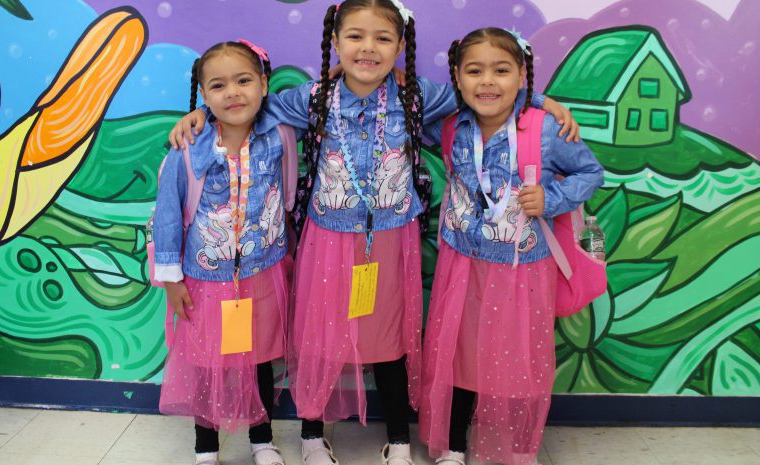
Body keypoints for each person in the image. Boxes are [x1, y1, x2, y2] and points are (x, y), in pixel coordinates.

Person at [166, 3, 578, 465]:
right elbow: (249, 108)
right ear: (337, 43)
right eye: (356, 37)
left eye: (383, 38)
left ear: (400, 47)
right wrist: (201, 113)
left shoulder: (417, 96)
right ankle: (311, 435)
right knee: (319, 338)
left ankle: (399, 439)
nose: (368, 48)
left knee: (392, 339)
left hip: (391, 238)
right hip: (327, 239)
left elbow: (478, 93)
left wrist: (538, 101)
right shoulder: (313, 98)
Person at [417, 27, 604, 465]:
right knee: (459, 355)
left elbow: (590, 173)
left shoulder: (545, 129)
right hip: (461, 263)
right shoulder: (448, 125)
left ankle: (516, 448)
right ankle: (454, 447)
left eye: (501, 71)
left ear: (522, 76)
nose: (487, 82)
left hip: (522, 271)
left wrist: (552, 199)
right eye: (474, 71)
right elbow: (404, 95)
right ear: (458, 80)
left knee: (518, 360)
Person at [153, 39, 295, 465]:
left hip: (262, 271)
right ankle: (206, 444)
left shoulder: (280, 134)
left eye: (244, 81)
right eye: (218, 86)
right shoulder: (189, 149)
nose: (232, 92)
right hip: (205, 278)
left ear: (264, 84)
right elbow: (165, 214)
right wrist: (171, 281)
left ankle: (262, 438)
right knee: (207, 363)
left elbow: (285, 201)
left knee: (258, 360)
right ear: (204, 95)